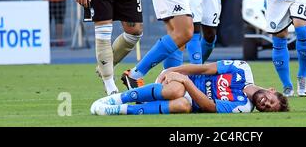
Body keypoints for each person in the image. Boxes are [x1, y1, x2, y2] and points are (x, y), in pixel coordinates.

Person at [91, 60, 288, 115]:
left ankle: (121, 110)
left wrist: (187, 83)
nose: (266, 104)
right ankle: (118, 98)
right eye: (271, 100)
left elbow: (209, 106)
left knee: (183, 105)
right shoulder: (242, 68)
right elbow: (204, 68)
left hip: (190, 98)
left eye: (268, 108)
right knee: (177, 91)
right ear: (271, 90)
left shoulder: (243, 107)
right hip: (178, 84)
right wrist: (173, 70)